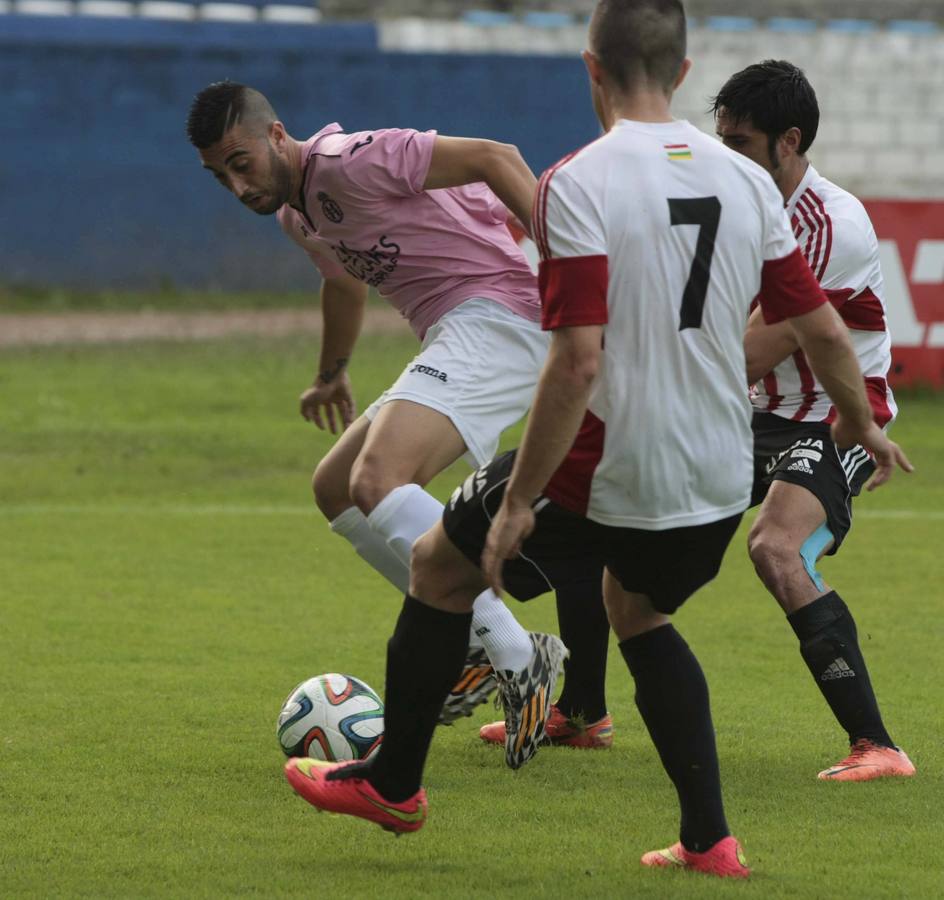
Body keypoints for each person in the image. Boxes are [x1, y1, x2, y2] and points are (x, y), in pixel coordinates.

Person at [281, 0, 912, 877]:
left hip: (616, 449)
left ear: (591, 69)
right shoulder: (745, 188)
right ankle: (708, 841)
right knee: (638, 608)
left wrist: (520, 502)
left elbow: (576, 363)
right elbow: (823, 331)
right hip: (718, 470)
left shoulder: (576, 181)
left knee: (435, 563)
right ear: (685, 74)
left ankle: (394, 783)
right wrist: (863, 430)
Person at [185, 81, 571, 748]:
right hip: (463, 330)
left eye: (240, 163)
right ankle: (478, 641)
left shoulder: (349, 160)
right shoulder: (297, 213)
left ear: (276, 135)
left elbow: (493, 155)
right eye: (219, 176)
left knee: (378, 478)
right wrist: (331, 373)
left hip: (503, 313)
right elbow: (342, 281)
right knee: (336, 488)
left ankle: (514, 652)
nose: (237, 186)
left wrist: (573, 267)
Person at [713, 60, 917, 782]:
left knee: (775, 548)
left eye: (739, 144)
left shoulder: (830, 222)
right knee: (624, 515)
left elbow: (756, 348)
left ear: (789, 142)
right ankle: (581, 712)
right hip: (754, 414)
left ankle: (879, 747)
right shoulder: (737, 206)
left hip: (838, 418)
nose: (725, 158)